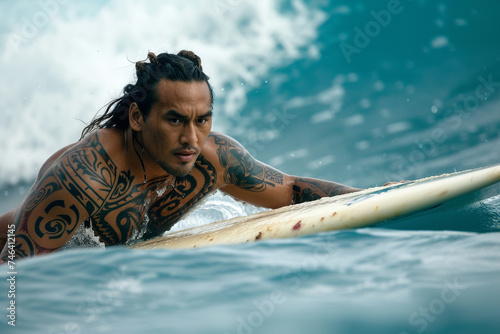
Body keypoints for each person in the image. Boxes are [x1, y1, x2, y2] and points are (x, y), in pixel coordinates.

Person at [0, 50, 360, 263]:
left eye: (202, 120)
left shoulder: (215, 158)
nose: (191, 138)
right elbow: (15, 277)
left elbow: (292, 190)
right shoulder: (86, 177)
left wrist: (370, 197)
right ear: (138, 118)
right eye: (174, 120)